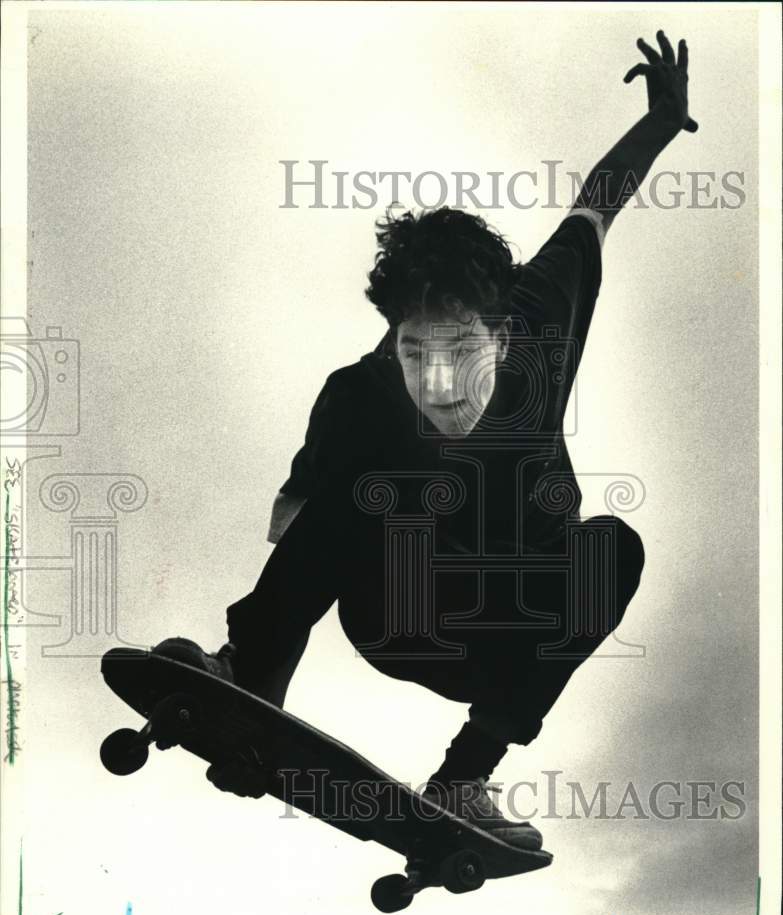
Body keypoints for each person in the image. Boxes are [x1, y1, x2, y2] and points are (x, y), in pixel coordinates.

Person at [154, 30, 695, 850]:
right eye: (414, 353)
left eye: (460, 353)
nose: (437, 385)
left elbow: (595, 205)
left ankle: (465, 778)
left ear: (503, 336)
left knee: (614, 546)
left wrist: (659, 122)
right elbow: (301, 540)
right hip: (402, 617)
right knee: (359, 486)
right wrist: (251, 711)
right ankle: (254, 676)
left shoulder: (541, 315)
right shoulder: (360, 396)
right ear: (392, 340)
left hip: (515, 623)